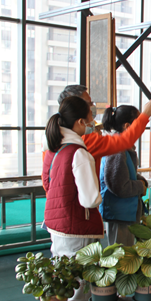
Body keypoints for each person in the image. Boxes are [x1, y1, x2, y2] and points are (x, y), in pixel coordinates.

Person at [42, 96, 103, 258]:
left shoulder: (52, 150)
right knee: (78, 272)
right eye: (90, 119)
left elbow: (47, 184)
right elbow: (90, 200)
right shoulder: (79, 153)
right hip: (75, 227)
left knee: (61, 269)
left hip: (56, 224)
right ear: (80, 122)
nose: (93, 123)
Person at [55, 85, 151, 175]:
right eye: (89, 104)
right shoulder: (86, 140)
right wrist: (145, 115)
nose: (92, 107)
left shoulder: (56, 137)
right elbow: (124, 141)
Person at [99, 105, 148, 247]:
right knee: (120, 255)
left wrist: (139, 180)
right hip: (119, 213)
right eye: (139, 123)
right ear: (127, 126)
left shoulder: (120, 145)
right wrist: (141, 186)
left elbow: (124, 173)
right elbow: (119, 185)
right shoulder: (117, 148)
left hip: (124, 212)